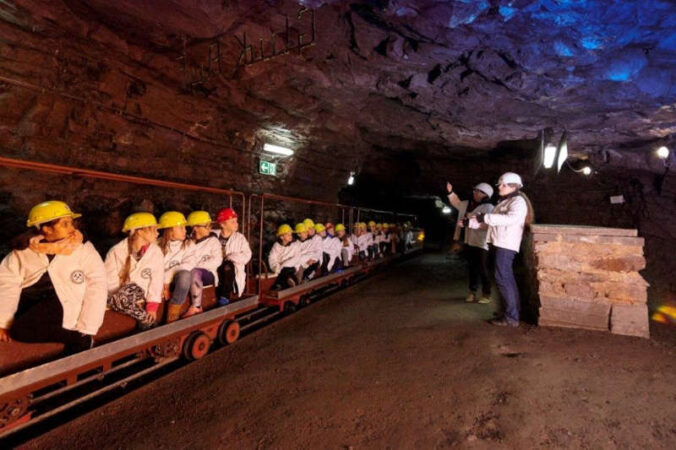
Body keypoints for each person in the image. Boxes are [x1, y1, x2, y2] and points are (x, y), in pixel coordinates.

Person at [0, 201, 107, 353]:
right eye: (65, 224)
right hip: (29, 299)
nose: (72, 229)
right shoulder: (23, 251)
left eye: (71, 223)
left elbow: (98, 284)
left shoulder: (83, 249)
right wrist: (2, 322)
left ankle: (79, 339)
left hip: (60, 299)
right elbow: (7, 283)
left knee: (20, 331)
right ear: (46, 229)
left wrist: (88, 326)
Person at [468, 172, 534, 327]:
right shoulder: (506, 201)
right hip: (500, 243)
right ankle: (512, 312)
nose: (500, 187)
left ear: (514, 186)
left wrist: (484, 217)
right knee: (506, 280)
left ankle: (511, 317)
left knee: (503, 279)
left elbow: (510, 219)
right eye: (500, 184)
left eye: (503, 184)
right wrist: (471, 223)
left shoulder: (518, 202)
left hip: (506, 245)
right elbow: (494, 223)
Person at [105, 212, 164, 329]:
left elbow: (157, 280)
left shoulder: (156, 252)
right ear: (140, 231)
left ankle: (146, 322)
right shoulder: (116, 251)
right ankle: (147, 321)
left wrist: (152, 307)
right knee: (121, 296)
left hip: (141, 293)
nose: (157, 233)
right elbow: (109, 281)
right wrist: (126, 299)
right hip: (118, 295)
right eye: (153, 229)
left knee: (131, 290)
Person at [448, 181, 495, 304]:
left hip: (482, 242)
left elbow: (488, 225)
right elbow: (456, 202)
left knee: (483, 269)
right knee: (472, 268)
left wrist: (469, 223)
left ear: (485, 194)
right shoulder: (467, 204)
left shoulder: (489, 208)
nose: (474, 192)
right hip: (469, 241)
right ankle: (472, 292)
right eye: (474, 190)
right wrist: (450, 192)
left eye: (477, 191)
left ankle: (487, 294)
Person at [181, 211, 222, 318]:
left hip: (208, 274)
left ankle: (197, 306)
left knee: (194, 272)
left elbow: (217, 261)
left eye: (209, 225)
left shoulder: (213, 242)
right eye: (206, 226)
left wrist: (196, 266)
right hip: (191, 274)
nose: (209, 228)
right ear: (196, 228)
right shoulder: (188, 243)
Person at [157, 211, 195, 323]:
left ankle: (173, 311)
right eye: (181, 227)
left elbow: (187, 265)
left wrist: (167, 279)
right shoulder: (156, 245)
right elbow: (154, 267)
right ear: (170, 230)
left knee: (185, 275)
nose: (185, 231)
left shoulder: (188, 245)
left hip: (177, 282)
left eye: (184, 227)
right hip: (160, 281)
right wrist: (162, 281)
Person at [215, 207, 252, 305]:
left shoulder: (240, 238)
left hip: (230, 270)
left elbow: (247, 255)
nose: (236, 224)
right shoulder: (214, 235)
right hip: (215, 267)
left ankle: (225, 296)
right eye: (232, 222)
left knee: (228, 265)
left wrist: (231, 256)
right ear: (222, 224)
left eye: (236, 221)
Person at [268, 224, 301, 290]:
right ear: (281, 237)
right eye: (288, 235)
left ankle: (278, 285)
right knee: (286, 273)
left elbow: (296, 258)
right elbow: (272, 258)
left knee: (286, 270)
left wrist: (283, 264)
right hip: (279, 268)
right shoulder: (276, 246)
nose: (290, 236)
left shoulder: (295, 245)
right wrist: (276, 267)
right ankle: (291, 282)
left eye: (291, 234)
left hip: (291, 267)